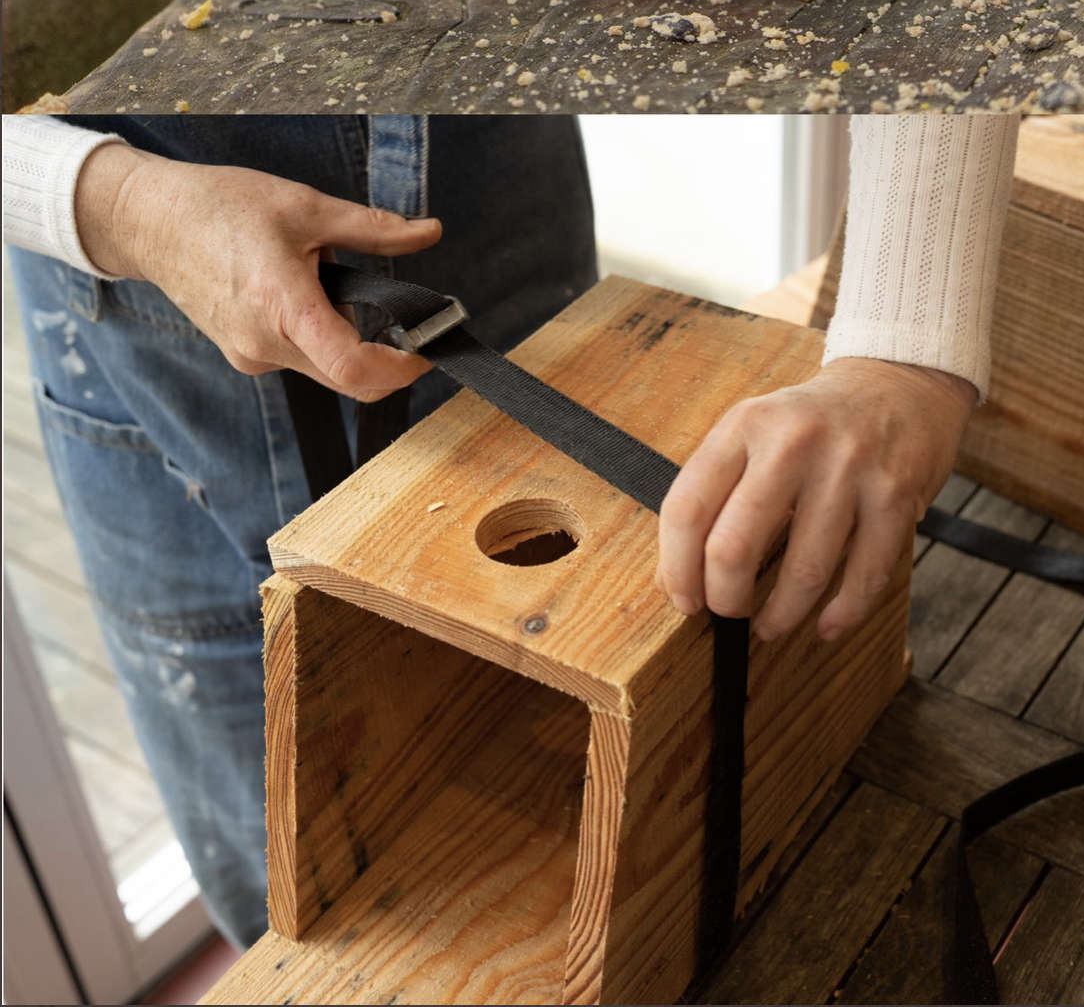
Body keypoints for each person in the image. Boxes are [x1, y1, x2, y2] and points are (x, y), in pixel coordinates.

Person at [4, 111, 1017, 949]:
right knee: (292, 883)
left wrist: (905, 347)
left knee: (606, 658)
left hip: (473, 163)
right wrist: (116, 201)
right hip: (131, 261)